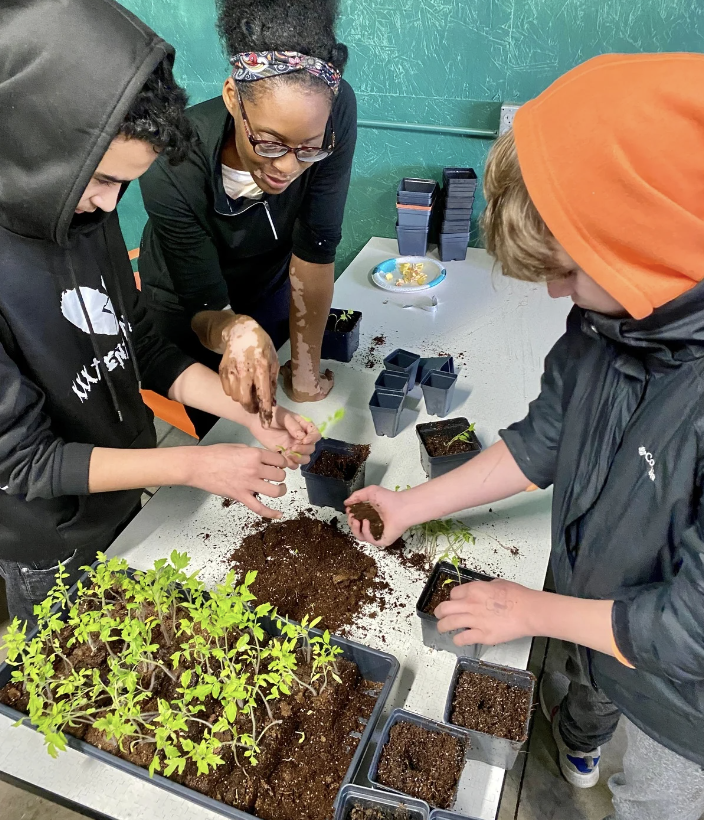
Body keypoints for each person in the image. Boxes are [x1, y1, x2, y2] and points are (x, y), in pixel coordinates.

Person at [346, 54, 704, 820]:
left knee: (654, 795)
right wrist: (413, 505)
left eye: (570, 271)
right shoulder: (614, 316)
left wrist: (532, 611)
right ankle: (580, 738)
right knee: (588, 691)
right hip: (596, 615)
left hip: (685, 711)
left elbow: (692, 631)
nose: (554, 292)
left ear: (645, 239)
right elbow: (545, 439)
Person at [0, 0, 319, 627]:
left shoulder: (89, 215)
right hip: (50, 543)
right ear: (40, 142)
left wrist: (249, 413)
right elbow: (26, 463)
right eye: (101, 179)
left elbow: (144, 346)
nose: (108, 203)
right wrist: (192, 465)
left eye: (125, 185)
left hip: (126, 497)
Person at [137, 0, 357, 438]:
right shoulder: (174, 164)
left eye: (309, 149)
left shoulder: (335, 110)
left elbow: (316, 246)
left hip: (268, 285)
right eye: (270, 144)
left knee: (286, 406)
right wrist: (233, 329)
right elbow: (204, 305)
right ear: (234, 98)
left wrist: (306, 373)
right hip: (191, 308)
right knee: (229, 432)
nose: (288, 168)